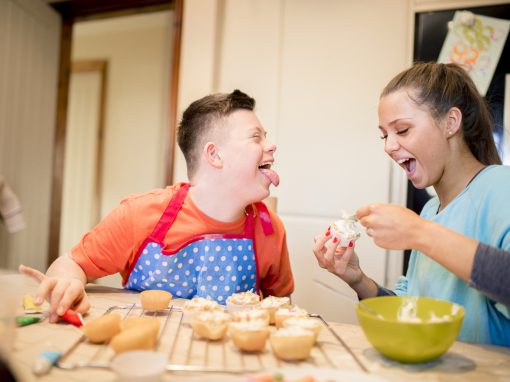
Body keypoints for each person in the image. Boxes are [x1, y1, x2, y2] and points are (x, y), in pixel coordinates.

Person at [20, 89, 294, 323]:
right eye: (256, 137)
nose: (271, 146)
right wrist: (68, 282)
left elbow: (280, 305)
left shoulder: (270, 229)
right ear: (215, 154)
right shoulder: (139, 215)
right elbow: (70, 264)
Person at [313, 62, 510, 346]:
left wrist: (419, 232)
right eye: (384, 135)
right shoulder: (430, 211)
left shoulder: (499, 187)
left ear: (450, 123)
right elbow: (410, 308)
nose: (388, 146)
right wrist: (357, 279)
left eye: (402, 130)